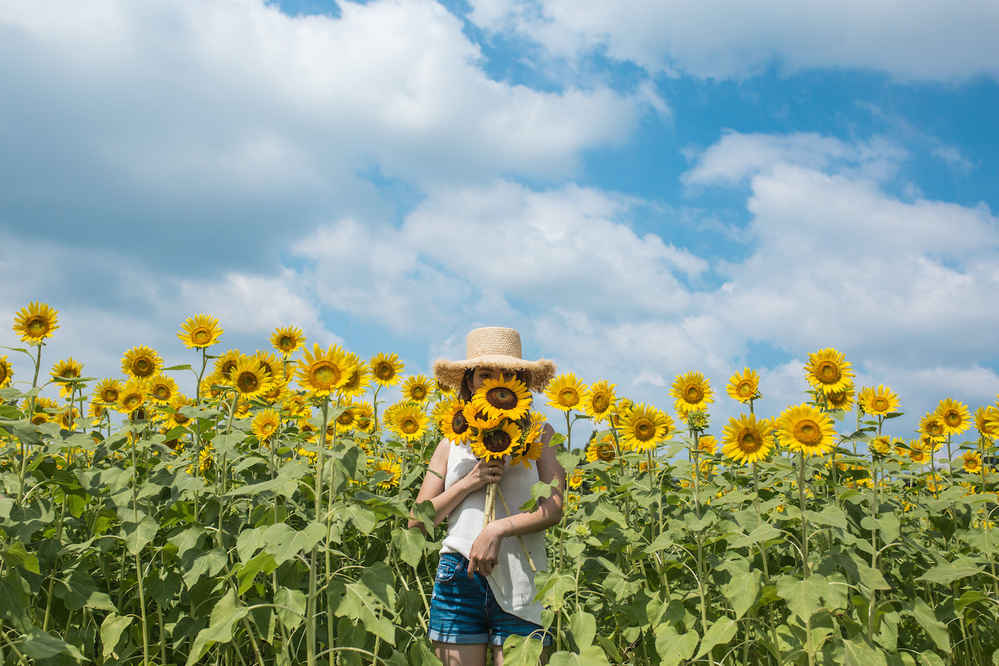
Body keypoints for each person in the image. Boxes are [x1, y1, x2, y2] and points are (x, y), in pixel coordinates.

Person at [408, 327, 565, 666]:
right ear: (468, 382)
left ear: (520, 381)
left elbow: (553, 508)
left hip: (523, 577)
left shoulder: (541, 433)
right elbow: (417, 521)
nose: (497, 381)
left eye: (509, 374)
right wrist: (469, 482)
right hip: (458, 579)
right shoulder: (451, 441)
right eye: (485, 374)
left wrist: (496, 530)